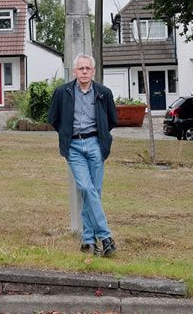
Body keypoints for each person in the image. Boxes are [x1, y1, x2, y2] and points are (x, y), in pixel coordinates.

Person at [48, 53, 118, 257]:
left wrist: (101, 138)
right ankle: (105, 237)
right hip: (75, 147)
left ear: (93, 71)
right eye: (81, 68)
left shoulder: (104, 93)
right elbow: (54, 118)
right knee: (86, 188)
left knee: (94, 191)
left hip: (96, 144)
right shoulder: (63, 92)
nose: (85, 72)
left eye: (88, 68)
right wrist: (67, 135)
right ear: (75, 71)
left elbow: (112, 119)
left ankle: (88, 241)